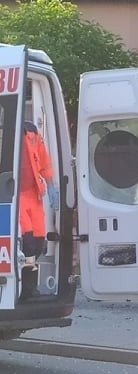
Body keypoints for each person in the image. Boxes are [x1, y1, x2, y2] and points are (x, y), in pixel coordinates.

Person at [19, 122, 58, 298]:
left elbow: (43, 160)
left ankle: (30, 288)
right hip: (15, 194)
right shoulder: (7, 131)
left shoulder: (31, 132)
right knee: (26, 241)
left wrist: (50, 185)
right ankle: (26, 289)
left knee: (38, 241)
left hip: (34, 194)